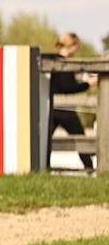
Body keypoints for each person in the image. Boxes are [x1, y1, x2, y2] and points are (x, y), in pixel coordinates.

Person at [49, 32, 98, 171]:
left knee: (46, 141)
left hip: (53, 108)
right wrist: (87, 84)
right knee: (80, 139)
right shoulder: (65, 64)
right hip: (65, 110)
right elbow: (67, 87)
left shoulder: (53, 61)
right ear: (72, 45)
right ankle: (89, 168)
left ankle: (43, 168)